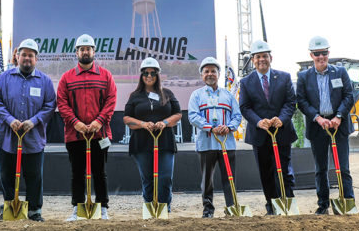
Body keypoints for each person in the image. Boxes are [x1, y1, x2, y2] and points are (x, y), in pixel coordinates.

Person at [0, 38, 56, 222]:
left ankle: (34, 211)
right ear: (17, 57)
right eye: (24, 55)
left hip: (33, 138)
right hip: (8, 138)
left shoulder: (44, 81)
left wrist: (34, 121)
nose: (27, 58)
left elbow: (50, 105)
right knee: (7, 175)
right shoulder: (4, 78)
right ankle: (10, 206)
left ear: (36, 59)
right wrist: (9, 120)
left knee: (34, 176)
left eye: (31, 55)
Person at [57, 34, 117, 221]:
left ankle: (103, 208)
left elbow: (111, 99)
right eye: (81, 49)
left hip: (100, 135)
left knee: (100, 172)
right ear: (76, 53)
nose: (85, 52)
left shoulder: (106, 75)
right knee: (78, 173)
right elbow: (62, 103)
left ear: (93, 52)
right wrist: (76, 123)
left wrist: (99, 120)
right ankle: (78, 209)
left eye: (88, 49)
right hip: (75, 136)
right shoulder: (67, 78)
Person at [296, 36, 355, 214]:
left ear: (328, 53)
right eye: (317, 54)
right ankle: (323, 204)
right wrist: (317, 118)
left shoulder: (341, 72)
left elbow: (348, 95)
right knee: (320, 169)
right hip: (318, 127)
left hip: (339, 126)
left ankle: (348, 202)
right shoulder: (304, 77)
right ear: (311, 55)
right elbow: (301, 101)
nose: (321, 57)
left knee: (343, 167)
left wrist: (338, 117)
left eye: (324, 53)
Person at [238, 40, 297, 215]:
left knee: (285, 170)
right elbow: (245, 107)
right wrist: (258, 121)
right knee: (266, 172)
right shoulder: (246, 82)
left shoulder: (284, 77)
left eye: (265, 56)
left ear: (271, 58)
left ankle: (288, 203)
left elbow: (290, 102)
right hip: (260, 135)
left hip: (282, 132)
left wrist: (282, 118)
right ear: (253, 60)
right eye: (258, 57)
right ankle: (271, 206)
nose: (262, 59)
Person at [124, 58, 182, 212]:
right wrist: (143, 124)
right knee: (148, 179)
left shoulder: (167, 93)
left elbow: (178, 114)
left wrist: (165, 122)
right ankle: (149, 208)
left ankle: (164, 209)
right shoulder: (135, 95)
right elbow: (126, 118)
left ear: (158, 75)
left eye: (152, 73)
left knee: (164, 178)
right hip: (142, 143)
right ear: (141, 75)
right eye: (145, 73)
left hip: (165, 142)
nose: (149, 76)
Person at [188, 57, 242, 218]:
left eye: (213, 71)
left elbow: (237, 116)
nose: (210, 74)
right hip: (206, 144)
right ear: (201, 75)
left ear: (219, 74)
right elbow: (193, 116)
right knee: (207, 179)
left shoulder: (228, 95)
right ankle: (208, 210)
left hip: (227, 144)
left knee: (229, 177)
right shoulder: (196, 95)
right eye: (206, 71)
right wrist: (211, 128)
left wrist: (229, 127)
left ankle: (232, 208)